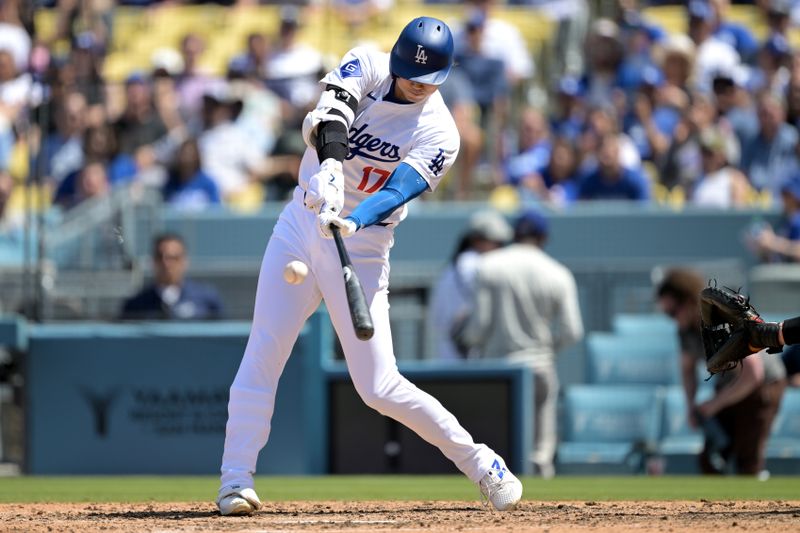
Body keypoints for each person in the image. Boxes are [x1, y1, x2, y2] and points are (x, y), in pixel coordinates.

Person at [216, 17, 523, 517]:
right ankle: (235, 481)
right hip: (302, 220)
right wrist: (331, 168)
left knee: (378, 386)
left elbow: (401, 188)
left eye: (426, 78)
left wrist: (356, 219)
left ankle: (483, 463)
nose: (414, 83)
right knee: (264, 352)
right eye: (408, 72)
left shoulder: (441, 130)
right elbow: (331, 115)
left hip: (362, 243)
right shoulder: (369, 63)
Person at [453, 209, 584, 479]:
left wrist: (465, 341)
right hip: (540, 363)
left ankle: (500, 485)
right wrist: (547, 349)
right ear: (544, 237)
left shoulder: (490, 265)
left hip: (500, 367)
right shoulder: (558, 272)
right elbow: (573, 331)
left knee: (499, 440)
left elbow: (480, 325)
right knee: (540, 449)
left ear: (515, 234)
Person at [656, 268, 787, 476]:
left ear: (689, 301)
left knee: (748, 460)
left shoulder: (719, 319)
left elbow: (754, 373)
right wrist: (691, 406)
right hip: (730, 384)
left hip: (762, 386)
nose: (672, 319)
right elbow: (687, 369)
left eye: (673, 312)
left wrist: (714, 404)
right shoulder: (685, 331)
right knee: (711, 459)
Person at [428, 210, 512, 361]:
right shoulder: (474, 264)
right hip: (466, 353)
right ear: (477, 240)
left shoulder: (453, 267)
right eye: (496, 242)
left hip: (450, 351)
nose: (500, 248)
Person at [120, 233, 224, 320]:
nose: (166, 264)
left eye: (173, 258)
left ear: (185, 261)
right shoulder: (136, 304)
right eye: (160, 257)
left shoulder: (206, 299)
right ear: (153, 261)